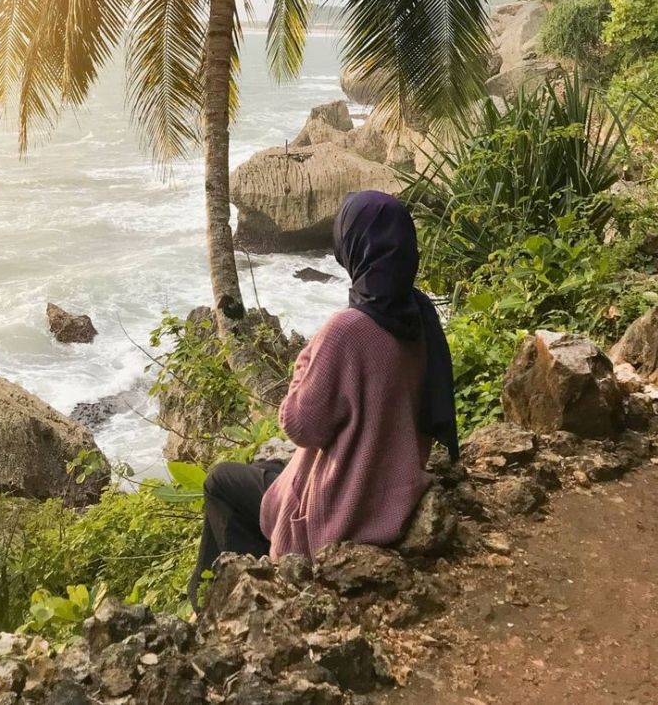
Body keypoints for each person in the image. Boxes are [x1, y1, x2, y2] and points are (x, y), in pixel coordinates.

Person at [188, 188, 458, 608]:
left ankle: (226, 600)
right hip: (393, 483)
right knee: (266, 470)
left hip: (347, 497)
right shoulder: (418, 313)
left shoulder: (349, 330)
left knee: (221, 481)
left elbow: (300, 425)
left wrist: (304, 363)